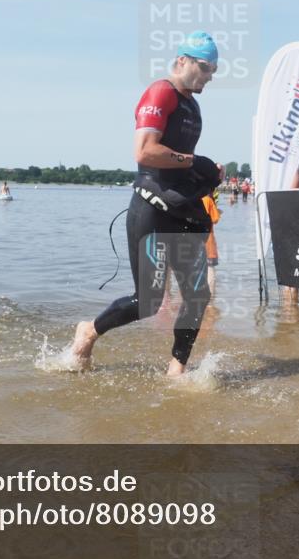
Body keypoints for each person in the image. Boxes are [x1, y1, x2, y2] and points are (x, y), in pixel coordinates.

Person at [70, 31, 221, 377]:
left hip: (181, 209)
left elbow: (178, 159)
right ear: (182, 60)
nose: (209, 75)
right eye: (204, 67)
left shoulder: (192, 105)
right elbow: (144, 151)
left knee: (197, 295)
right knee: (149, 301)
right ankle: (89, 330)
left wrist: (206, 171)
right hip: (151, 209)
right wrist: (192, 161)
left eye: (213, 70)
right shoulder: (160, 92)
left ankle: (177, 371)